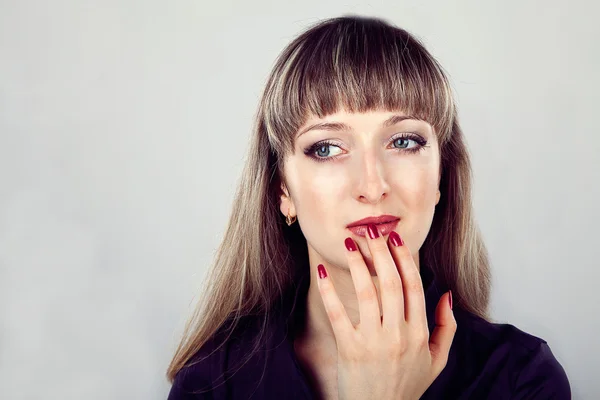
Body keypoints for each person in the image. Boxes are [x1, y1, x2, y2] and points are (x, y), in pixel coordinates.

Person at [166, 15, 571, 399]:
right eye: (326, 148)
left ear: (441, 177)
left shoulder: (521, 379)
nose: (372, 186)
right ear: (281, 191)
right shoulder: (211, 385)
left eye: (403, 142)